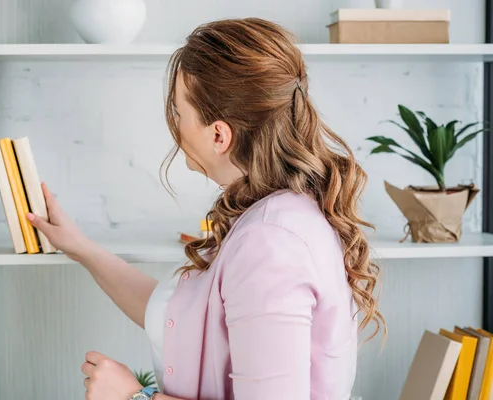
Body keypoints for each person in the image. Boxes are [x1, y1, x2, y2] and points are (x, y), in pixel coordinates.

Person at [27, 17, 386, 400]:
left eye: (179, 114)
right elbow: (182, 318)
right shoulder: (277, 214)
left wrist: (135, 397)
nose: (175, 125)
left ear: (219, 134)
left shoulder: (271, 244)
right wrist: (81, 248)